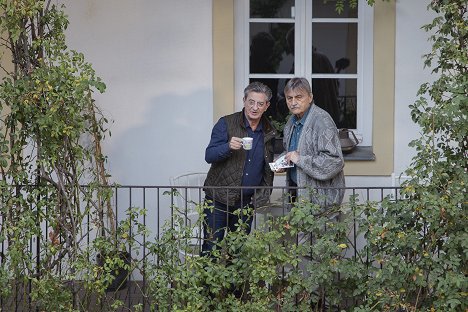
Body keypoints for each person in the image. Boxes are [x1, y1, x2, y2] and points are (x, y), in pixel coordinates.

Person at [202, 81, 277, 254]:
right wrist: (227, 147)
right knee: (211, 250)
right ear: (244, 100)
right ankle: (206, 283)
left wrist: (275, 170)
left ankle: (233, 283)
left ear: (267, 106)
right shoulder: (226, 123)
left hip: (246, 203)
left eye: (260, 103)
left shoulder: (268, 130)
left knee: (237, 253)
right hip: (218, 199)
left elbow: (266, 163)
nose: (255, 107)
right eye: (251, 102)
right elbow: (209, 155)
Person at [276, 77, 345, 206]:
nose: (293, 102)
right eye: (289, 98)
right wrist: (282, 161)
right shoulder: (291, 121)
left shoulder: (322, 121)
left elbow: (335, 162)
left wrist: (300, 160)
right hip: (295, 191)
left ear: (310, 97)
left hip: (320, 199)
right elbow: (292, 151)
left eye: (299, 97)